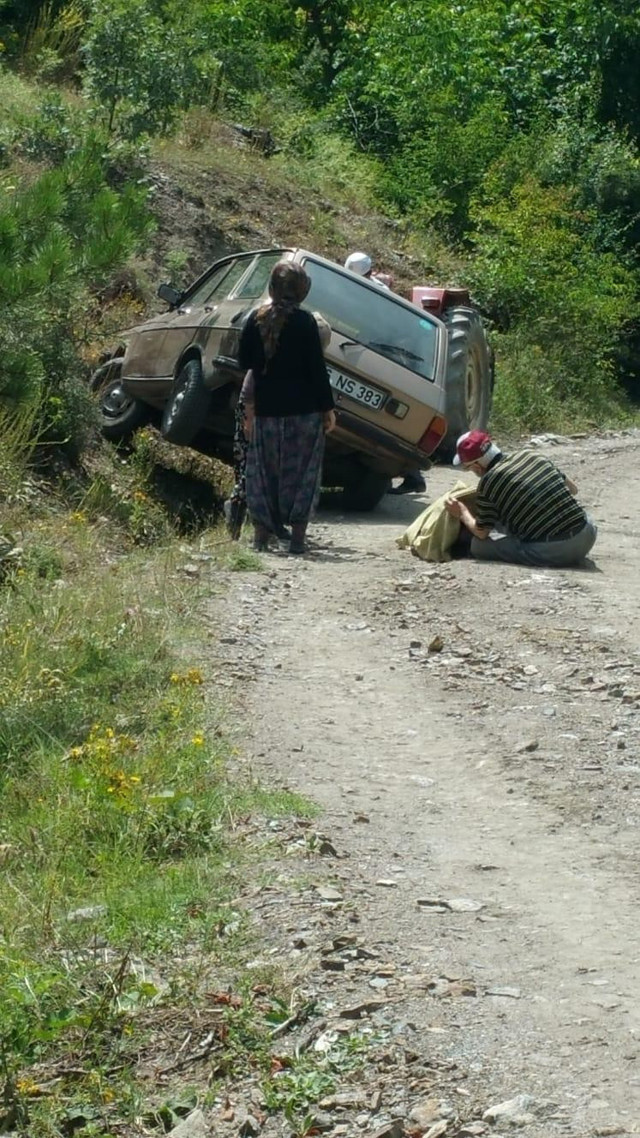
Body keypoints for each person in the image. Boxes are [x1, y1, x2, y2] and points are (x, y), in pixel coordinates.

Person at [238, 262, 336, 555]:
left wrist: (250, 408)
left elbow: (246, 364)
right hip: (304, 415)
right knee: (303, 473)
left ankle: (260, 537)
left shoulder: (254, 320)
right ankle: (297, 539)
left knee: (262, 473)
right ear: (302, 291)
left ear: (272, 287)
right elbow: (317, 371)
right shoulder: (306, 323)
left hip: (266, 412)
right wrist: (327, 409)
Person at [444, 429, 597, 567]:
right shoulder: (531, 455)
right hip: (587, 533)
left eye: (467, 467)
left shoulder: (488, 482)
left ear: (477, 466)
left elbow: (481, 533)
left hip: (556, 551)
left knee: (479, 546)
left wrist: (462, 512)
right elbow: (573, 489)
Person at [344, 252, 425, 496]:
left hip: (390, 349)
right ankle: (393, 476)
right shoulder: (370, 286)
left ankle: (413, 476)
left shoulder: (377, 292)